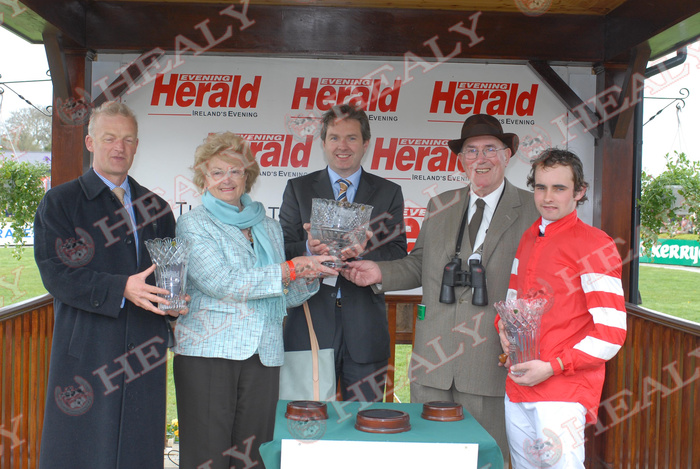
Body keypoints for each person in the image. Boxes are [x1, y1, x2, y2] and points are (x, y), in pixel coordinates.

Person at [344, 114, 539, 458]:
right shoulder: (440, 204)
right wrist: (379, 273)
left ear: (508, 155)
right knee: (430, 457)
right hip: (433, 363)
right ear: (461, 160)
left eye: (490, 149)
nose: (481, 159)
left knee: (487, 458)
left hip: (490, 361)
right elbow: (421, 265)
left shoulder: (531, 211)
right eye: (471, 151)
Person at [172, 132, 337, 469]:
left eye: (235, 170)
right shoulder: (193, 224)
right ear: (203, 178)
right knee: (207, 456)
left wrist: (310, 275)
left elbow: (282, 293)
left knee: (253, 456)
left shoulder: (269, 226)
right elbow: (223, 282)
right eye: (217, 172)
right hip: (209, 353)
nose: (227, 179)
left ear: (248, 175)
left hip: (264, 353)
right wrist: (290, 268)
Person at [34, 101, 184, 468]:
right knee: (83, 449)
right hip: (88, 350)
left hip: (145, 351)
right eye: (110, 138)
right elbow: (57, 274)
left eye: (128, 139)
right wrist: (121, 288)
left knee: (139, 446)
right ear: (90, 142)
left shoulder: (158, 207)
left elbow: (168, 275)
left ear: (136, 145)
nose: (120, 147)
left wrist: (174, 305)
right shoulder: (60, 202)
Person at [497, 149, 627, 468]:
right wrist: (504, 330)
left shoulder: (596, 244)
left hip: (562, 391)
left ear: (579, 192)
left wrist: (553, 367)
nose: (548, 197)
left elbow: (611, 335)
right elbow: (514, 301)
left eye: (559, 188)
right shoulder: (529, 237)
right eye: (541, 187)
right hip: (518, 384)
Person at [279, 104, 407, 402]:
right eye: (334, 138)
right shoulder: (297, 189)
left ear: (365, 144)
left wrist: (367, 250)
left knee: (365, 422)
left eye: (351, 138)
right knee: (305, 419)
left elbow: (399, 254)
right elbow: (281, 248)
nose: (342, 146)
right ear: (323, 143)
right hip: (309, 320)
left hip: (365, 326)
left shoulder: (388, 192)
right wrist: (309, 249)